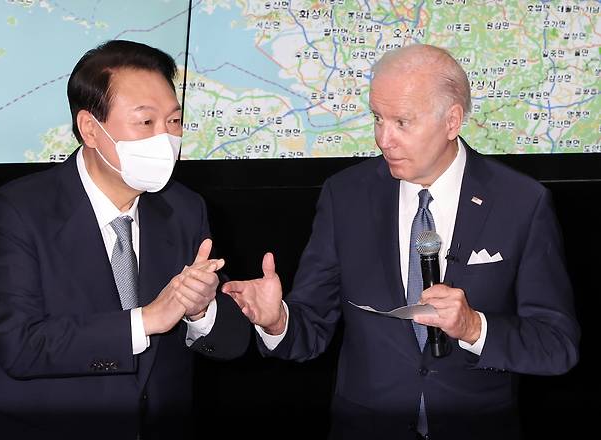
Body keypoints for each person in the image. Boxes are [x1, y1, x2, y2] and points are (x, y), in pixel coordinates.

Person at [223, 44, 580, 440]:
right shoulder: (346, 196)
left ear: (452, 121)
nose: (383, 139)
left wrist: (473, 327)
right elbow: (311, 327)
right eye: (378, 118)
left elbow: (556, 345)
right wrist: (277, 320)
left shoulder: (521, 202)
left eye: (402, 122)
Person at [0, 40, 249, 440]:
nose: (165, 139)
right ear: (90, 129)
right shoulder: (16, 212)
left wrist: (202, 312)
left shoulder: (185, 209)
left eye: (173, 122)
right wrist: (147, 319)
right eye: (145, 122)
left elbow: (230, 344)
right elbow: (21, 345)